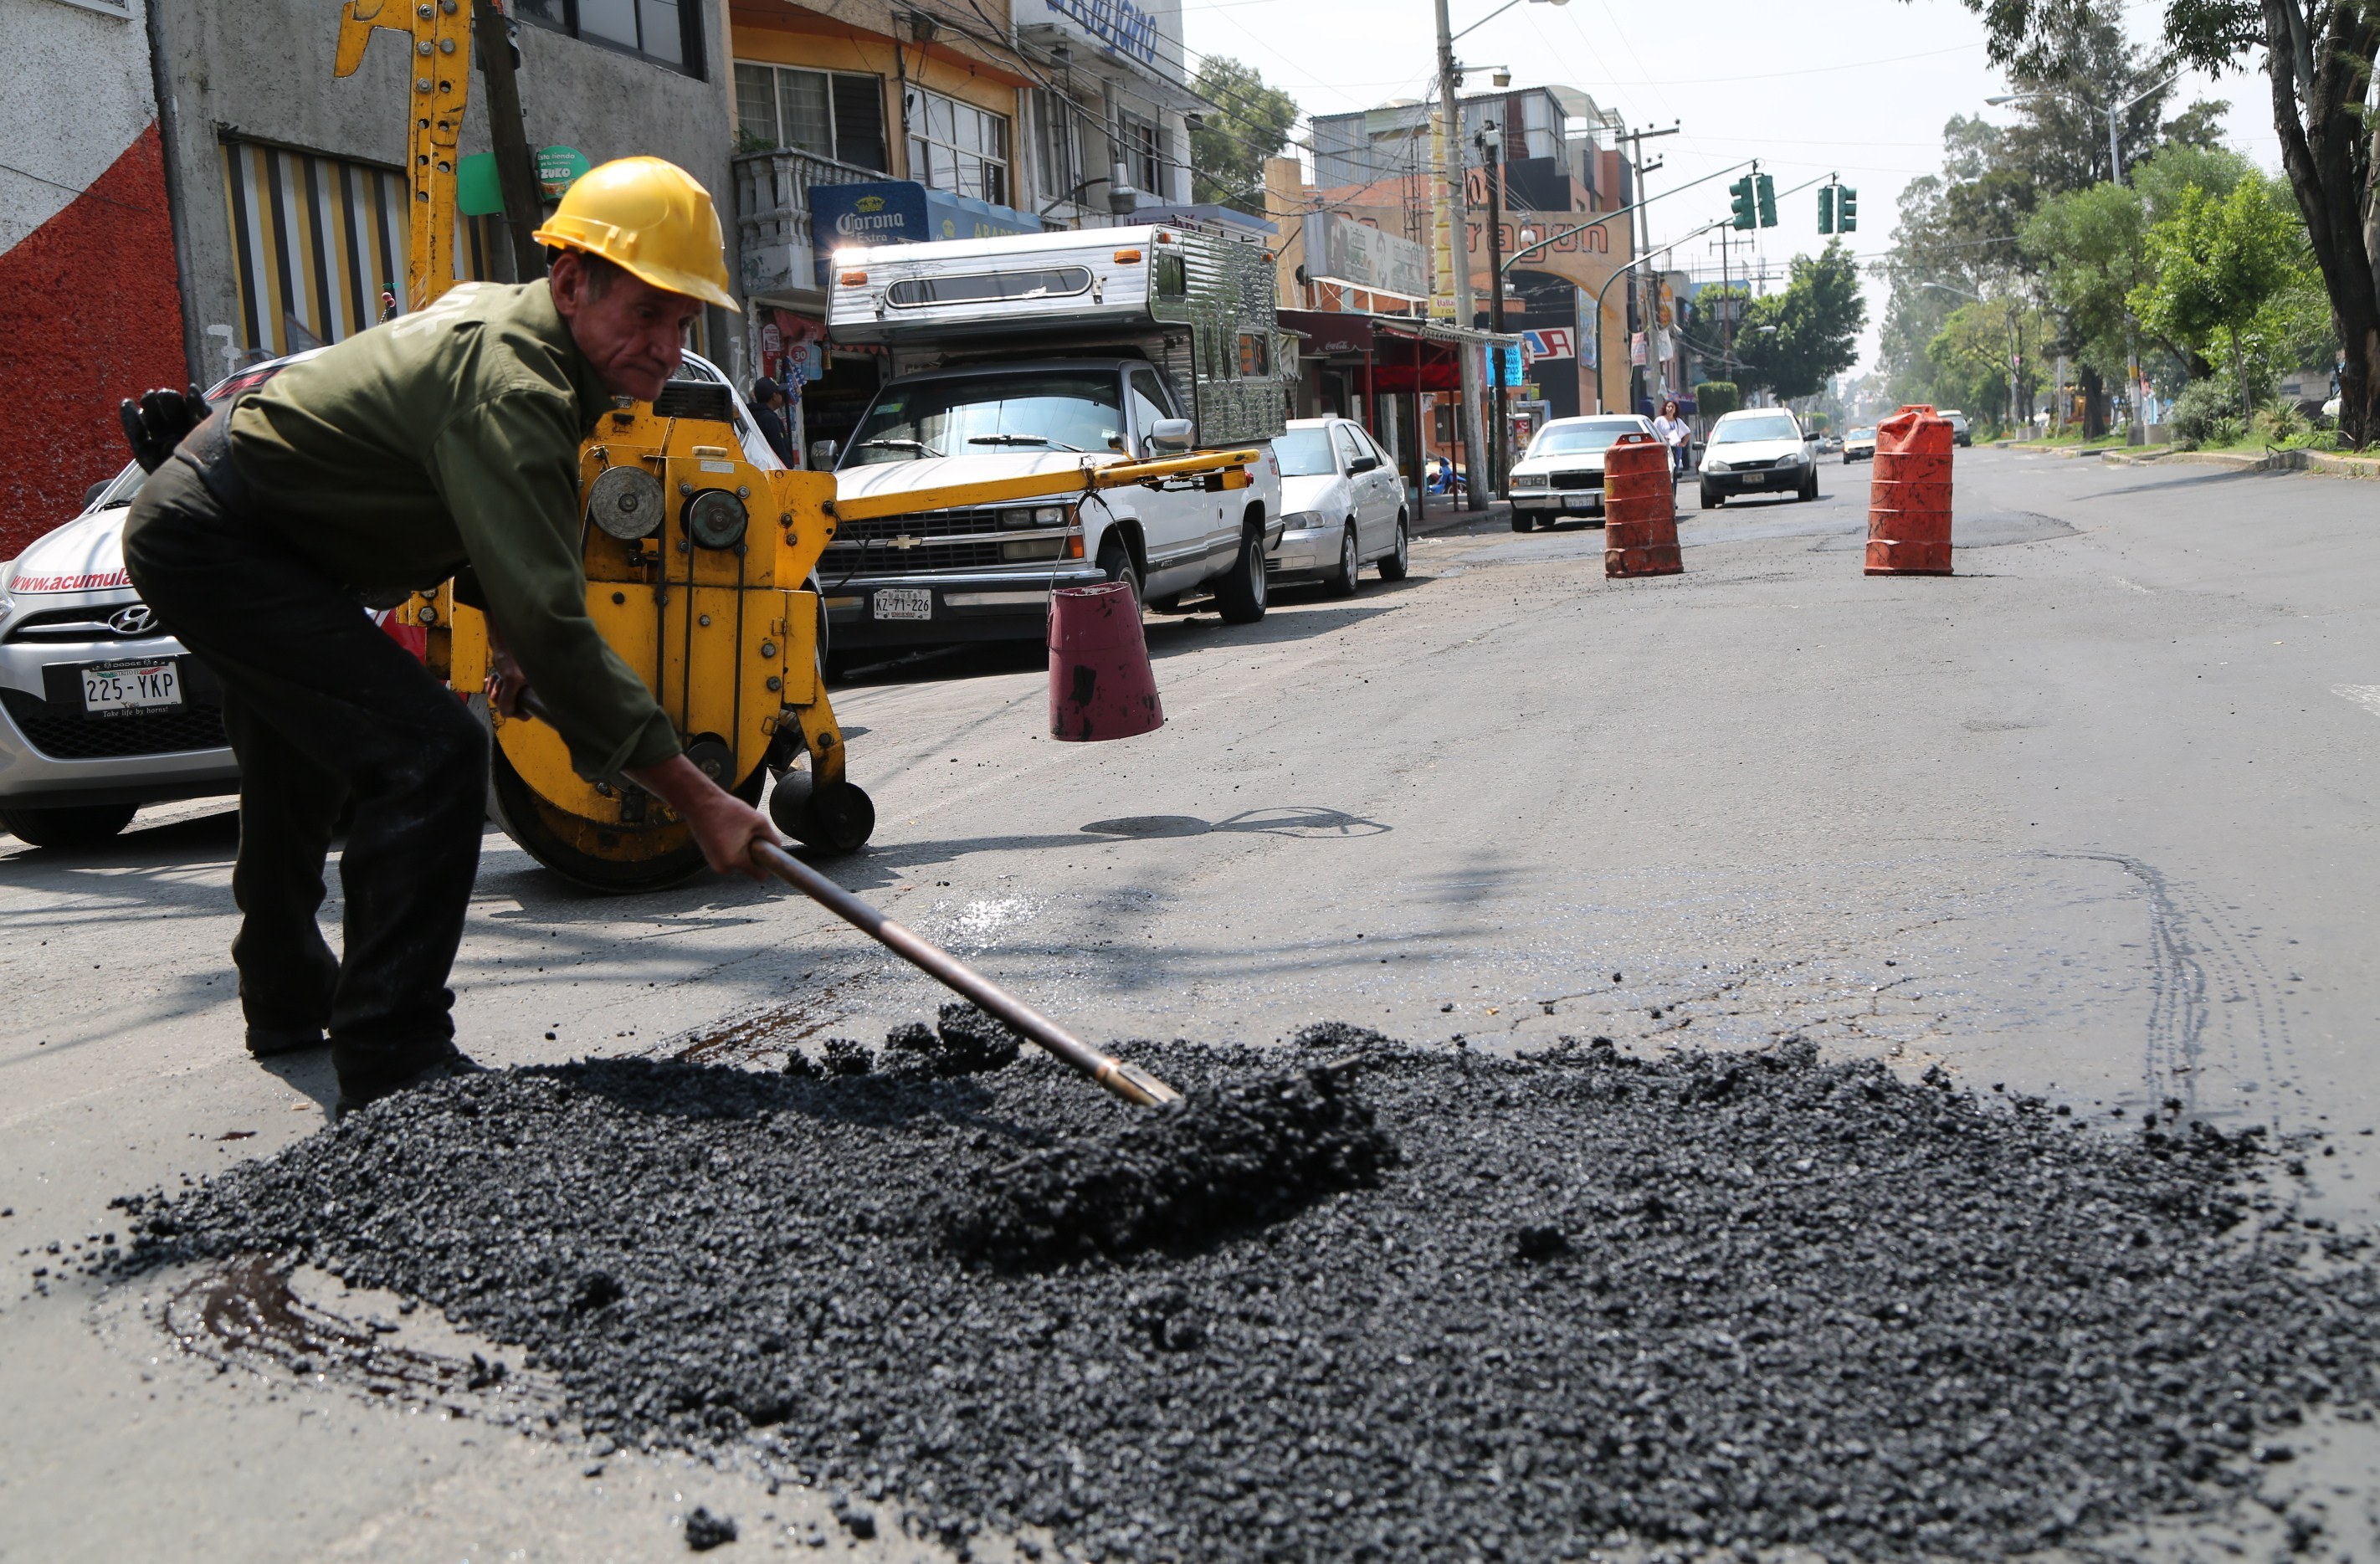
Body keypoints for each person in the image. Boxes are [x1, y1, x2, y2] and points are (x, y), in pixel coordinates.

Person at [118, 156, 779, 1115]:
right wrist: (696, 797)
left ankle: (287, 998)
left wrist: (511, 646)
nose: (668, 348)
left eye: (683, 323)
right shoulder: (516, 384)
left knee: (296, 763)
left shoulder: (521, 338)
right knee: (429, 755)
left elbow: (478, 531)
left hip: (264, 538)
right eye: (646, 314)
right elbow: (555, 618)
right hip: (219, 533)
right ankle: (396, 1056)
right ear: (570, 281)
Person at [750, 376, 796, 465]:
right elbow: (780, 452)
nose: (782, 396)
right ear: (774, 396)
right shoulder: (770, 420)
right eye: (780, 393)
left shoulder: (751, 414)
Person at [1652, 397, 1690, 478]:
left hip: (1676, 448)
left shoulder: (1678, 421)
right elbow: (1653, 433)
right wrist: (1663, 437)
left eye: (1672, 407)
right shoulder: (1659, 420)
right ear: (1665, 408)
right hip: (1664, 448)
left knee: (1675, 471)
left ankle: (1674, 489)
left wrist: (1684, 443)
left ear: (1675, 409)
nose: (1670, 409)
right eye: (1668, 407)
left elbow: (1688, 432)